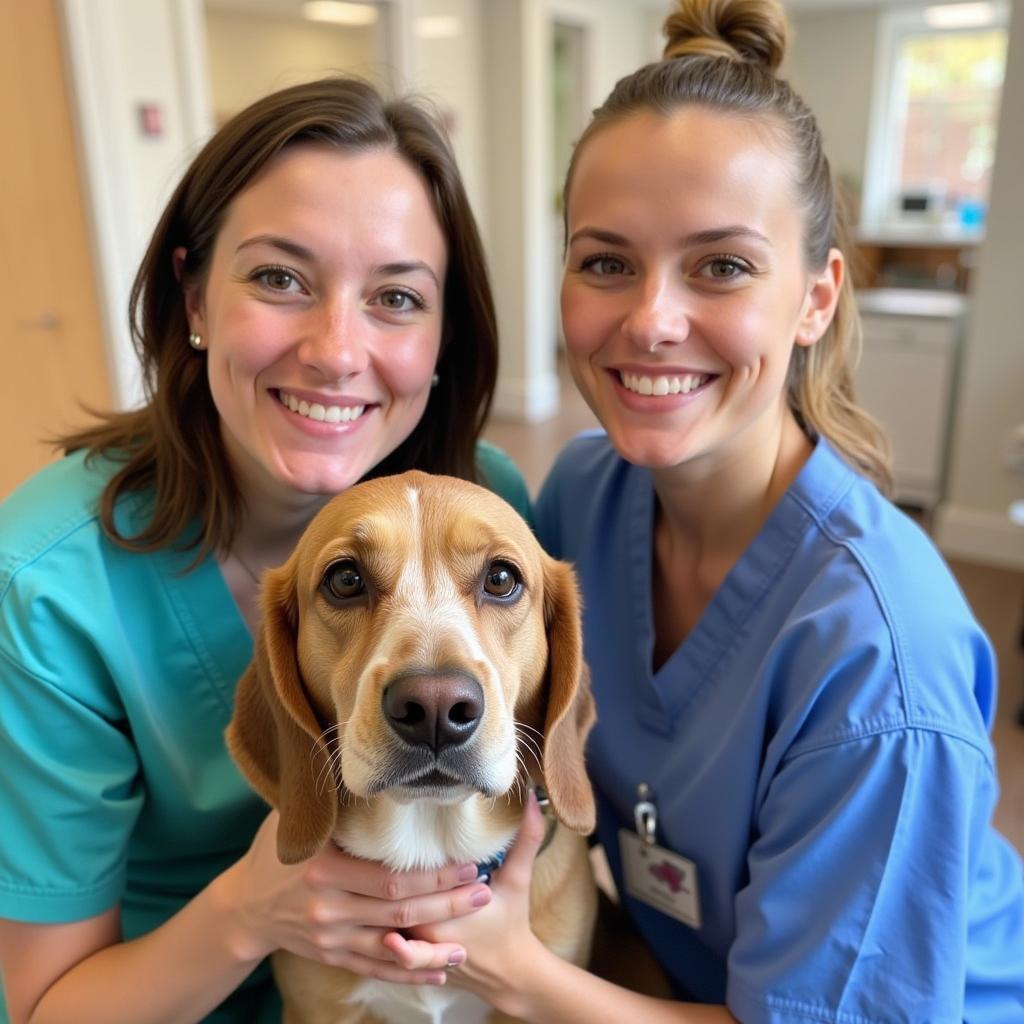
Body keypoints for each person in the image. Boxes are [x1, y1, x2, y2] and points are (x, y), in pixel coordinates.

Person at [405, 1, 1024, 1021]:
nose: (650, 319)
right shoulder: (580, 500)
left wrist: (508, 968)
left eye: (721, 266)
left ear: (816, 297)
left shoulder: (876, 657)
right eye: (606, 261)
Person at [0, 77, 527, 1023]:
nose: (335, 349)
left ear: (445, 334)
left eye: (398, 295)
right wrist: (255, 914)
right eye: (280, 278)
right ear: (193, 293)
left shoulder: (488, 508)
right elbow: (44, 1009)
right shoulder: (43, 589)